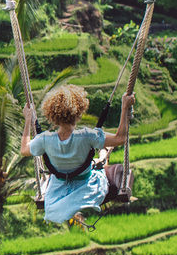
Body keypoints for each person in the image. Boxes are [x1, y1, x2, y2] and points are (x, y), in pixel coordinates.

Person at [21, 85, 134, 229]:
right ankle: (103, 155)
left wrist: (28, 119)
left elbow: (24, 149)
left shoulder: (44, 140)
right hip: (87, 186)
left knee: (97, 161)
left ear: (51, 114)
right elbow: (120, 138)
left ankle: (102, 156)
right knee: (111, 166)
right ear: (79, 111)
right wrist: (124, 108)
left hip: (58, 188)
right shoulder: (88, 136)